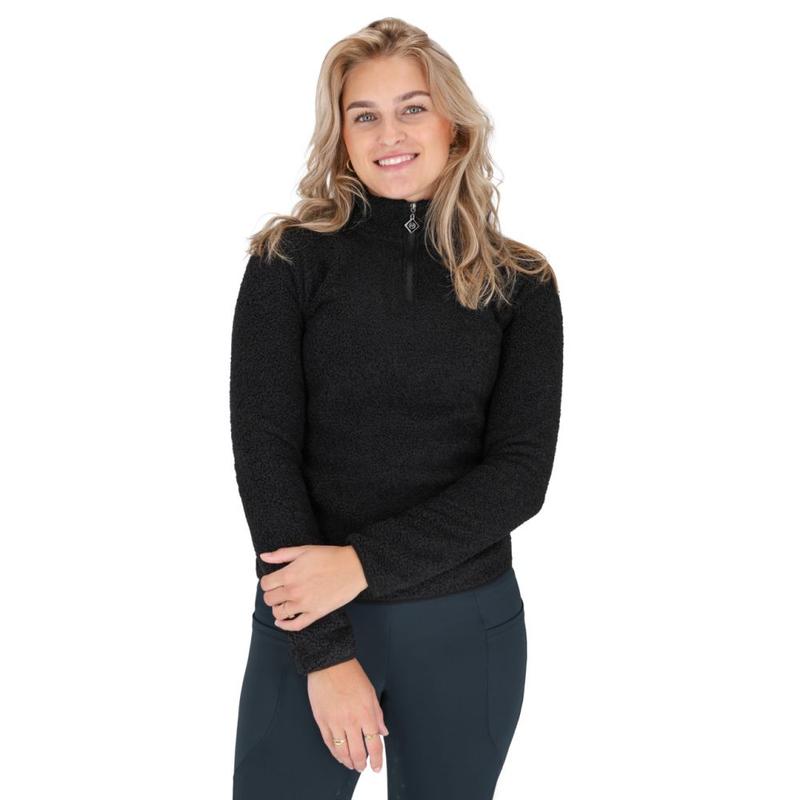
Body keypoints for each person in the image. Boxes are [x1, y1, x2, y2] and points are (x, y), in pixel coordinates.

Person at [228, 17, 563, 800]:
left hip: (466, 630)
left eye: (413, 108)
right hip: (309, 623)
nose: (390, 135)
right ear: (341, 136)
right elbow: (266, 458)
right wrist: (325, 652)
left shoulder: (521, 282)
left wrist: (361, 566)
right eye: (364, 115)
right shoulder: (287, 262)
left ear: (454, 123)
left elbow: (520, 477)